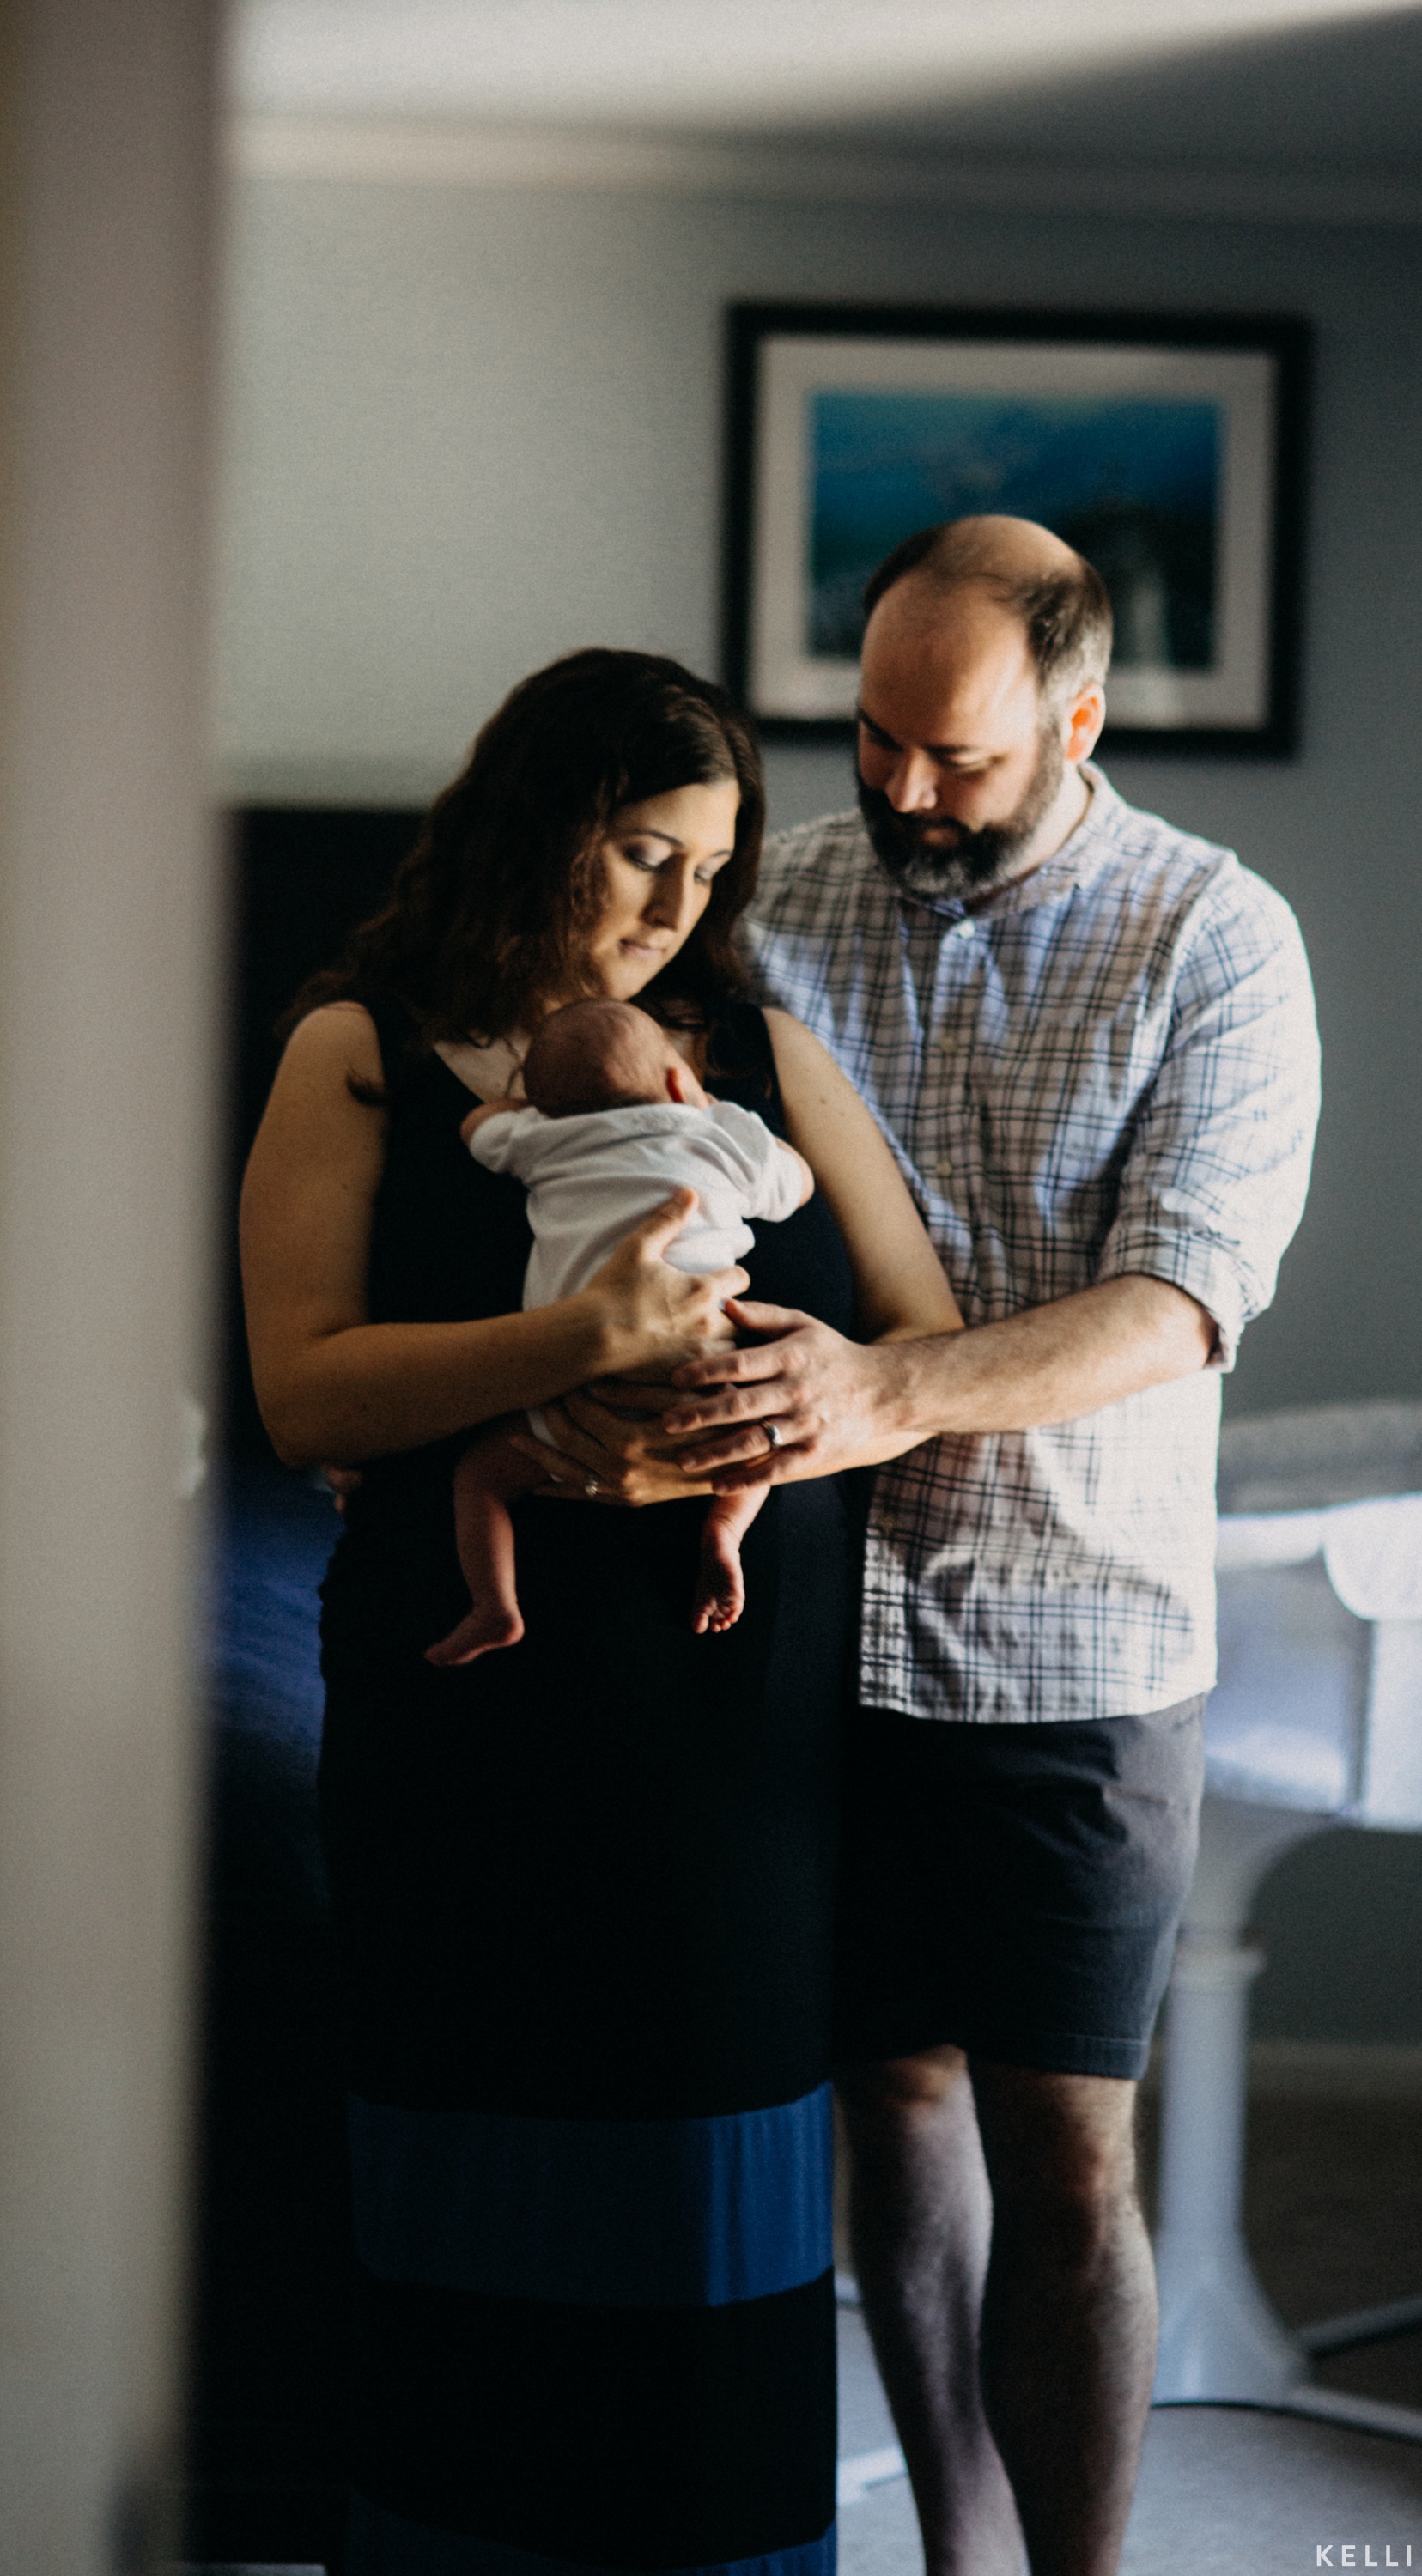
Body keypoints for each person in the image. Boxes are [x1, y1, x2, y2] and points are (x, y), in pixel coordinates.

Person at [541, 522, 1321, 2576]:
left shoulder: (1214, 938)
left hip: (1071, 1637)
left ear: (1074, 720)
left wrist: (893, 1393)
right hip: (798, 1624)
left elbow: (1176, 1303)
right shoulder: (767, 897)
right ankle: (959, 2559)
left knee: (1065, 2150)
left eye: (952, 755)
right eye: (868, 733)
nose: (893, 788)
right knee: (883, 2101)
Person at [239, 647, 963, 2576]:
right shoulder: (363, 1049)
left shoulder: (758, 1052)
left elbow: (920, 1342)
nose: (673, 914)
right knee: (470, 2162)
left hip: (733, 1722)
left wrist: (761, 1424)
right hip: (468, 1715)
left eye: (708, 875)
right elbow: (304, 1392)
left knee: (708, 2179)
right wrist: (575, 1345)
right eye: (642, 853)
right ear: (531, 822)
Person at [427, 995, 813, 1662]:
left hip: (568, 1391)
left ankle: (494, 1605)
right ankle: (723, 1532)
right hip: (708, 1373)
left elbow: (475, 1127)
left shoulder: (542, 1141)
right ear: (675, 1081)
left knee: (482, 1476)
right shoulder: (720, 1135)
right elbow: (798, 1184)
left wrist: (529, 1109)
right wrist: (735, 1123)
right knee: (757, 1446)